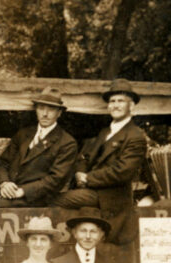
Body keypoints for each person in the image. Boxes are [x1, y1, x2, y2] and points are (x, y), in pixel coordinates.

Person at [55, 79, 147, 242]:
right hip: (92, 192)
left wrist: (88, 179)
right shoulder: (105, 132)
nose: (115, 105)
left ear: (131, 106)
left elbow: (122, 172)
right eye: (112, 101)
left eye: (121, 101)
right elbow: (85, 156)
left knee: (58, 199)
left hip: (110, 198)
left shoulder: (135, 135)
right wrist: (80, 172)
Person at [0, 87, 78, 207]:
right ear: (36, 110)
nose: (45, 114)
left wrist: (22, 191)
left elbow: (54, 180)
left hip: (33, 199)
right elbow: (2, 163)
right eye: (41, 108)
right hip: (5, 191)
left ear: (59, 113)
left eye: (51, 109)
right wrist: (4, 183)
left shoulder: (66, 143)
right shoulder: (24, 134)